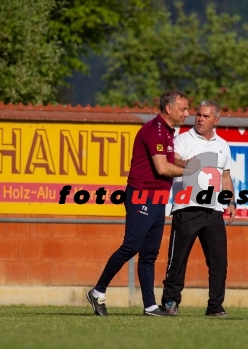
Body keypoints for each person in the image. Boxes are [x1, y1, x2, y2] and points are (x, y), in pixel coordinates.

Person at [87, 90, 193, 316]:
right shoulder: (153, 130)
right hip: (141, 195)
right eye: (183, 109)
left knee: (149, 254)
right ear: (169, 109)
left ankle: (150, 306)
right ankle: (97, 292)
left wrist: (192, 163)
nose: (187, 113)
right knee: (131, 246)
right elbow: (162, 168)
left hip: (158, 198)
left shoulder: (167, 132)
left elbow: (171, 159)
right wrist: (192, 170)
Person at [161, 100, 236, 317]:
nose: (200, 119)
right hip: (187, 208)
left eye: (206, 116)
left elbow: (226, 176)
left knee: (219, 261)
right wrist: (186, 163)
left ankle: (214, 306)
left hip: (213, 210)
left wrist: (230, 202)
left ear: (216, 120)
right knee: (178, 259)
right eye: (199, 115)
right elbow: (170, 159)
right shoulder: (183, 140)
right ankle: (170, 302)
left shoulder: (223, 145)